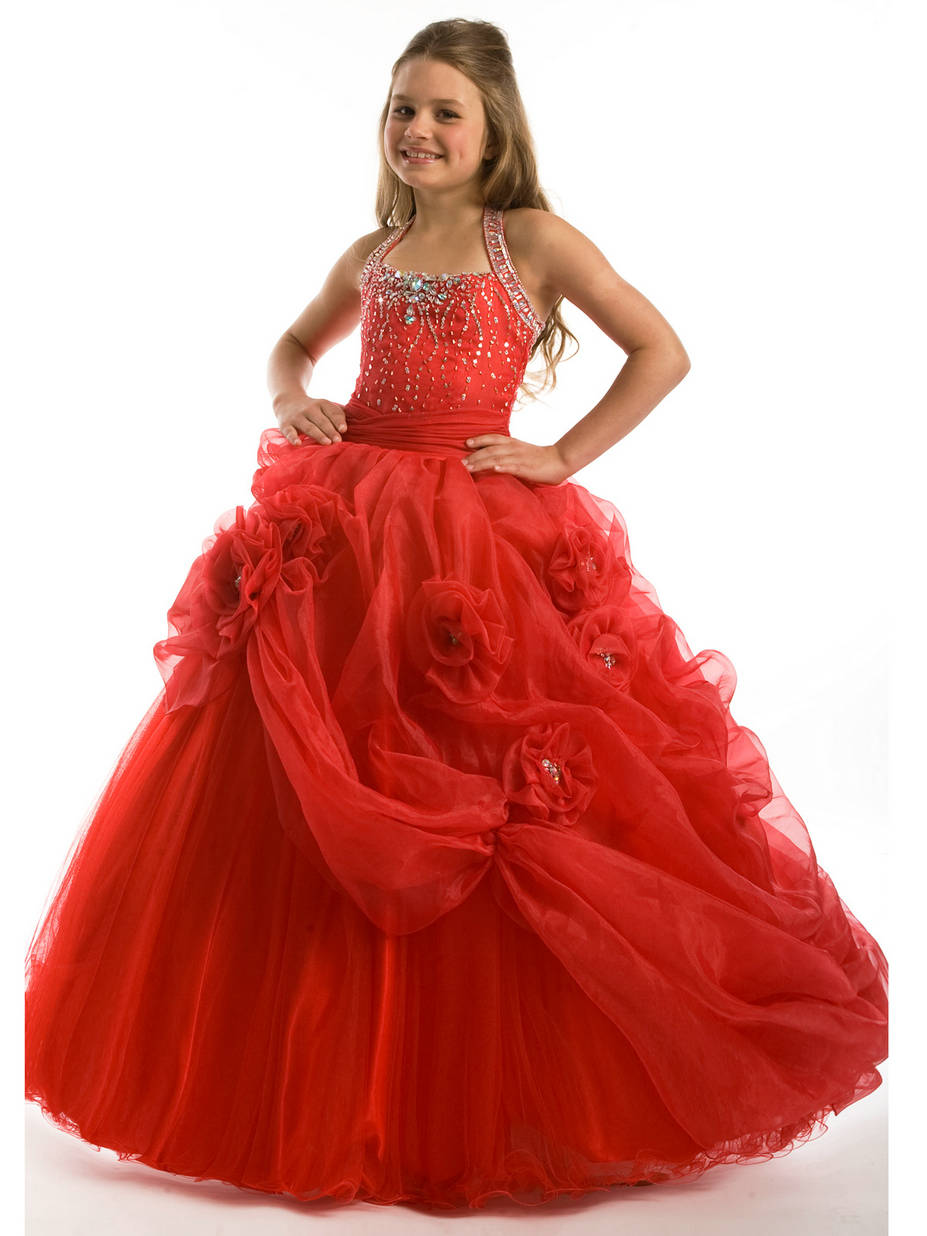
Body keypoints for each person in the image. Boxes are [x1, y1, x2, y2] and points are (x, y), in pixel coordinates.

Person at [24, 16, 888, 1212]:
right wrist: (292, 393)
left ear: (494, 132)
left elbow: (661, 349)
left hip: (467, 545)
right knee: (306, 777)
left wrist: (560, 455)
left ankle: (498, 1089)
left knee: (473, 771)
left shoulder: (527, 238)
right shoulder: (372, 253)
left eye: (445, 112)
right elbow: (291, 343)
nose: (419, 130)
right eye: (404, 108)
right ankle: (318, 1076)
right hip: (343, 530)